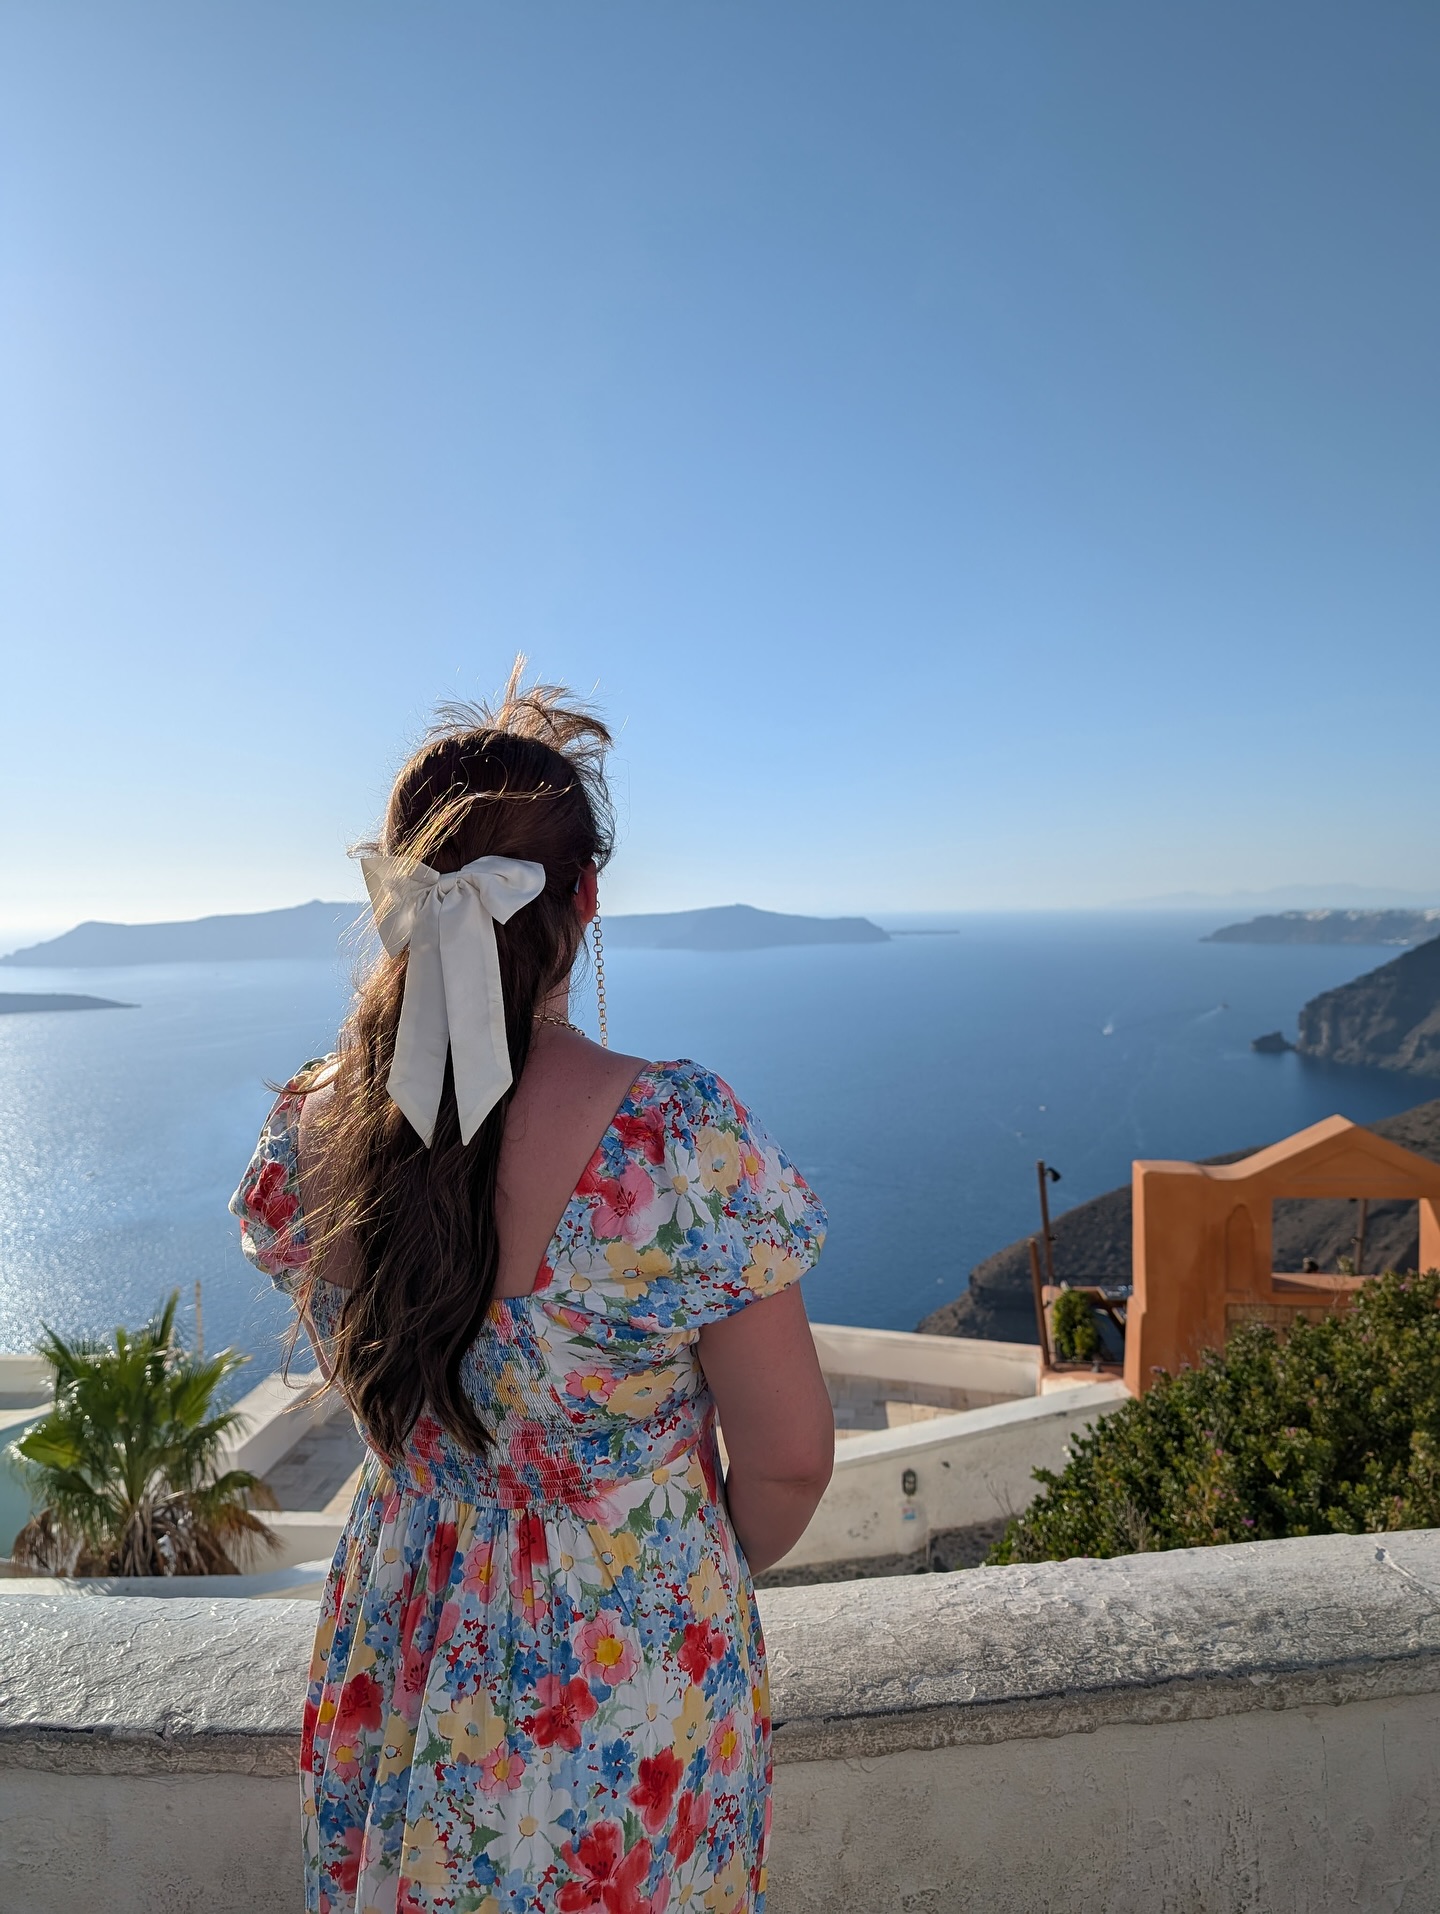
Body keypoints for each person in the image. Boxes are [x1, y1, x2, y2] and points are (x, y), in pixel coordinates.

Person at [231, 668, 834, 1914]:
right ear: (588, 900)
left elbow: (372, 1378)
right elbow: (789, 1463)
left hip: (403, 1622)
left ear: (402, 894)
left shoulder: (314, 1129)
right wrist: (684, 1553)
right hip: (637, 1658)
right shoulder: (674, 1137)